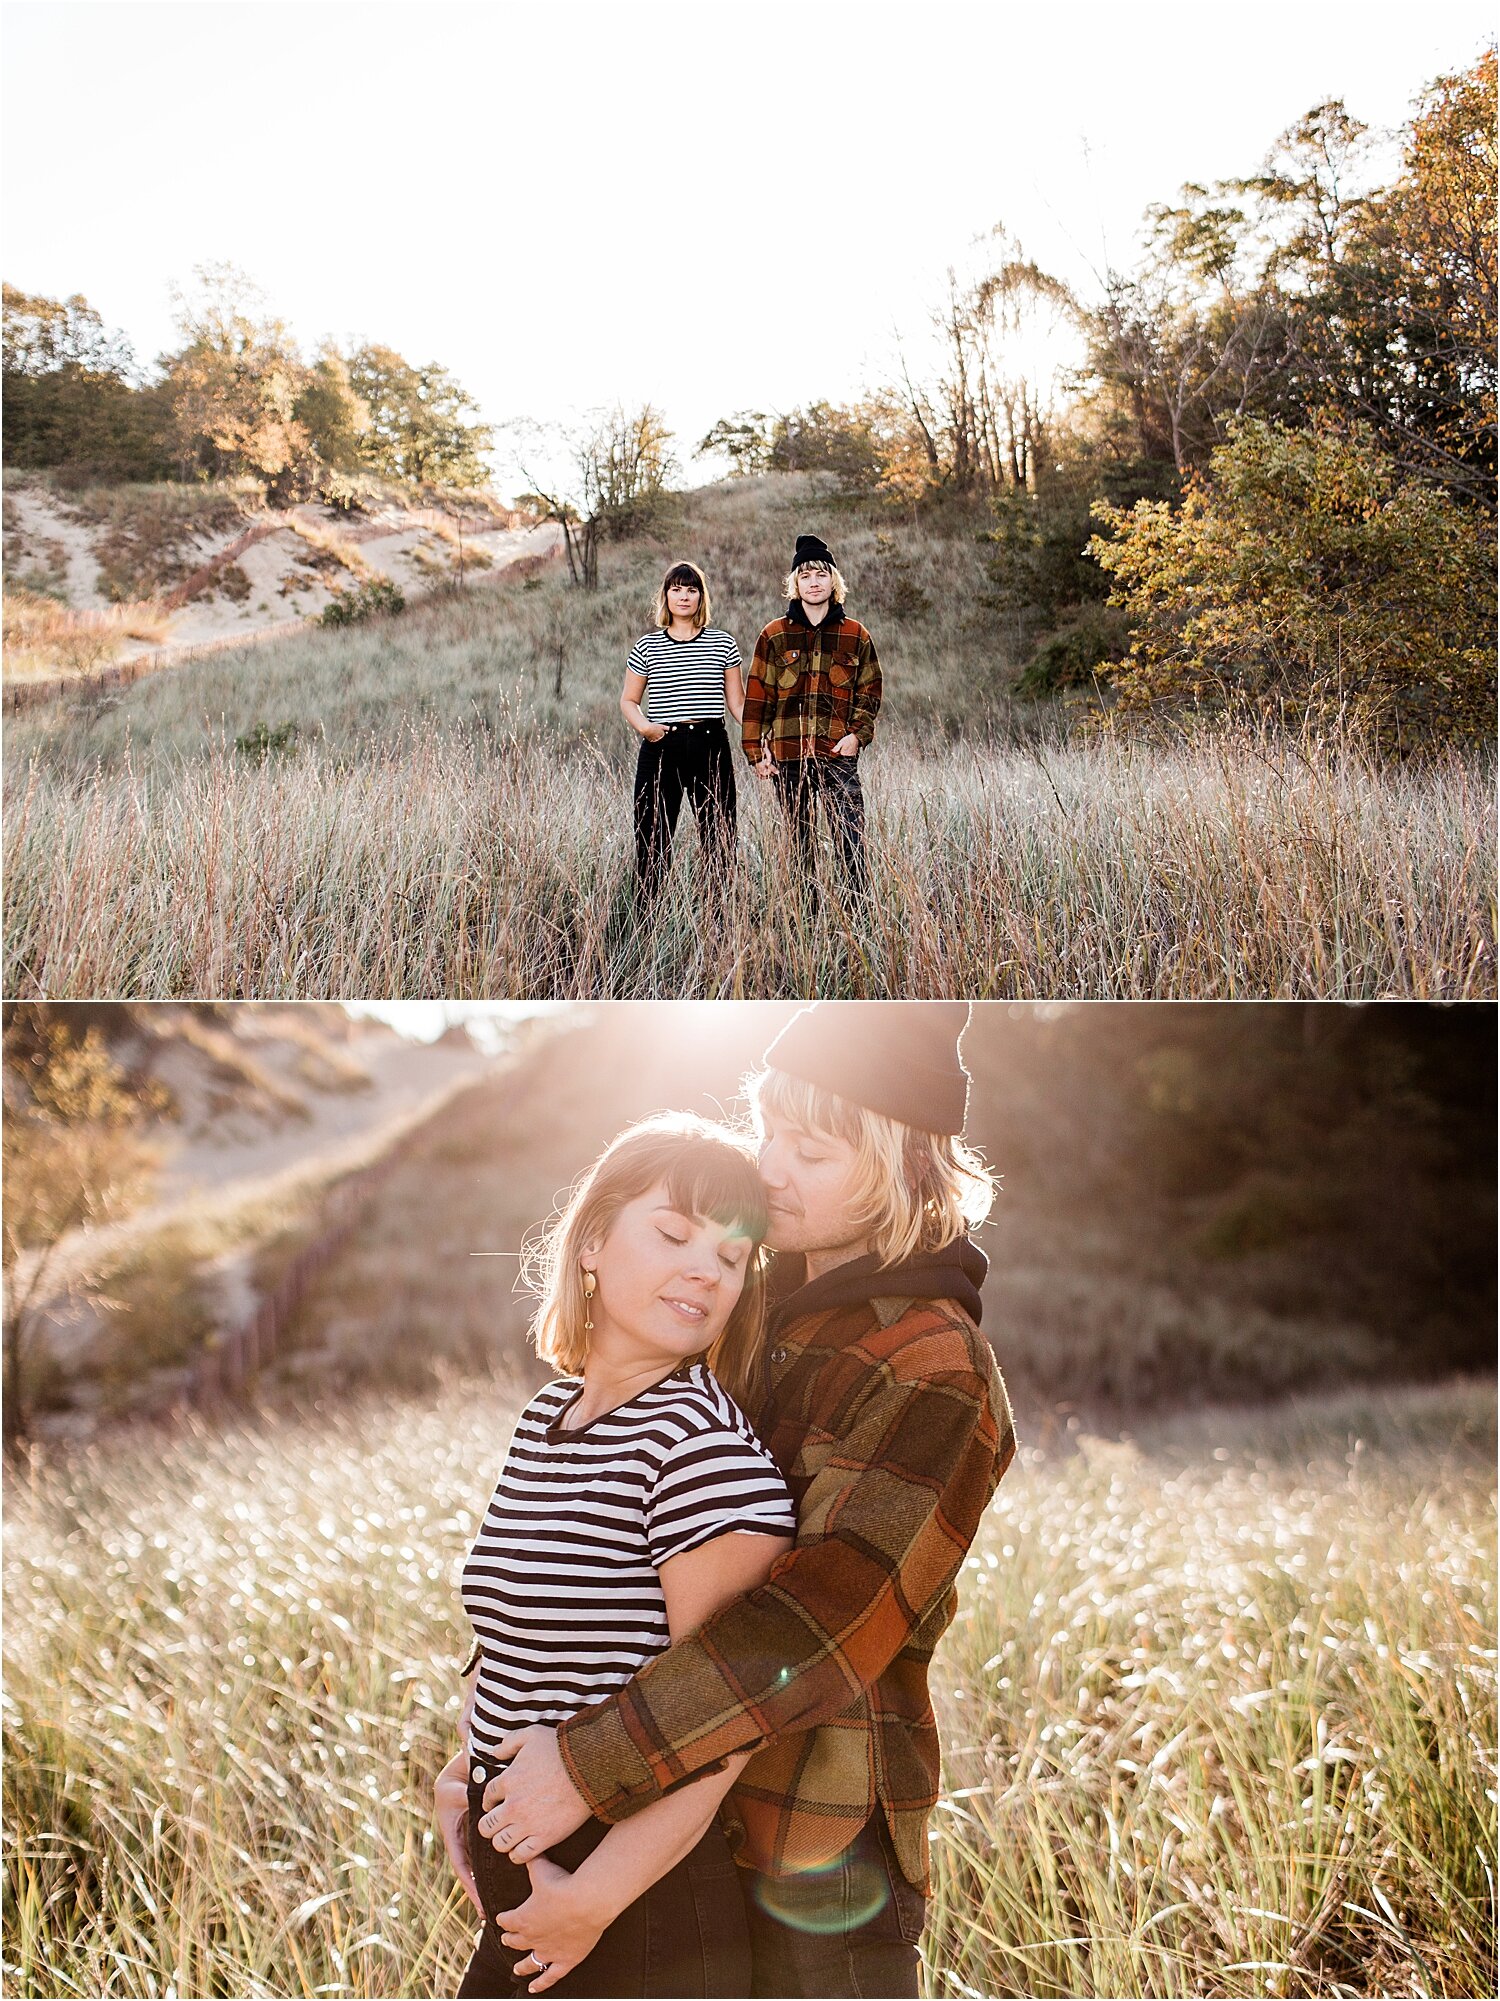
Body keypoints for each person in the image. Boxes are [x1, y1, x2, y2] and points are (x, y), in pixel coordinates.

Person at [475, 1003, 1017, 1999]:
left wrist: (584, 1766)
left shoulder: (932, 1369)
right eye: (769, 1134)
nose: (770, 1170)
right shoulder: (761, 1301)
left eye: (810, 1152)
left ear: (907, 1165)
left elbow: (811, 1631)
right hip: (670, 1840)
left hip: (818, 1855)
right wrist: (489, 1747)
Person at [433, 1113, 796, 1996]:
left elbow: (724, 1721)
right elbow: (528, 1629)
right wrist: (464, 1770)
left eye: (733, 1256)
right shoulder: (545, 1420)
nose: (706, 1270)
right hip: (531, 1863)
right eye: (674, 1233)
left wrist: (594, 1897)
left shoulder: (697, 1445)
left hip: (636, 1900)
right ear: (592, 1239)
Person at [742, 536, 882, 898]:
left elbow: (870, 691)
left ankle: (858, 919)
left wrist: (857, 736)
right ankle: (810, 923)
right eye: (805, 576)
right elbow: (759, 695)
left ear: (833, 581)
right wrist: (756, 752)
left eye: (821, 574)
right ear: (795, 583)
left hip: (838, 754)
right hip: (789, 757)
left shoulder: (855, 635)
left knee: (850, 842)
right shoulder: (774, 635)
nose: (814, 581)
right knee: (800, 847)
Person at [621, 562, 745, 905]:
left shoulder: (724, 644)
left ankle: (721, 925)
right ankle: (647, 924)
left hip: (710, 746)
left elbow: (737, 704)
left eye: (691, 589)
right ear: (665, 596)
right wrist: (646, 727)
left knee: (720, 839)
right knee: (651, 839)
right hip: (662, 747)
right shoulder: (646, 646)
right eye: (676, 589)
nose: (684, 596)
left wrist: (761, 734)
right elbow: (629, 701)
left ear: (701, 597)